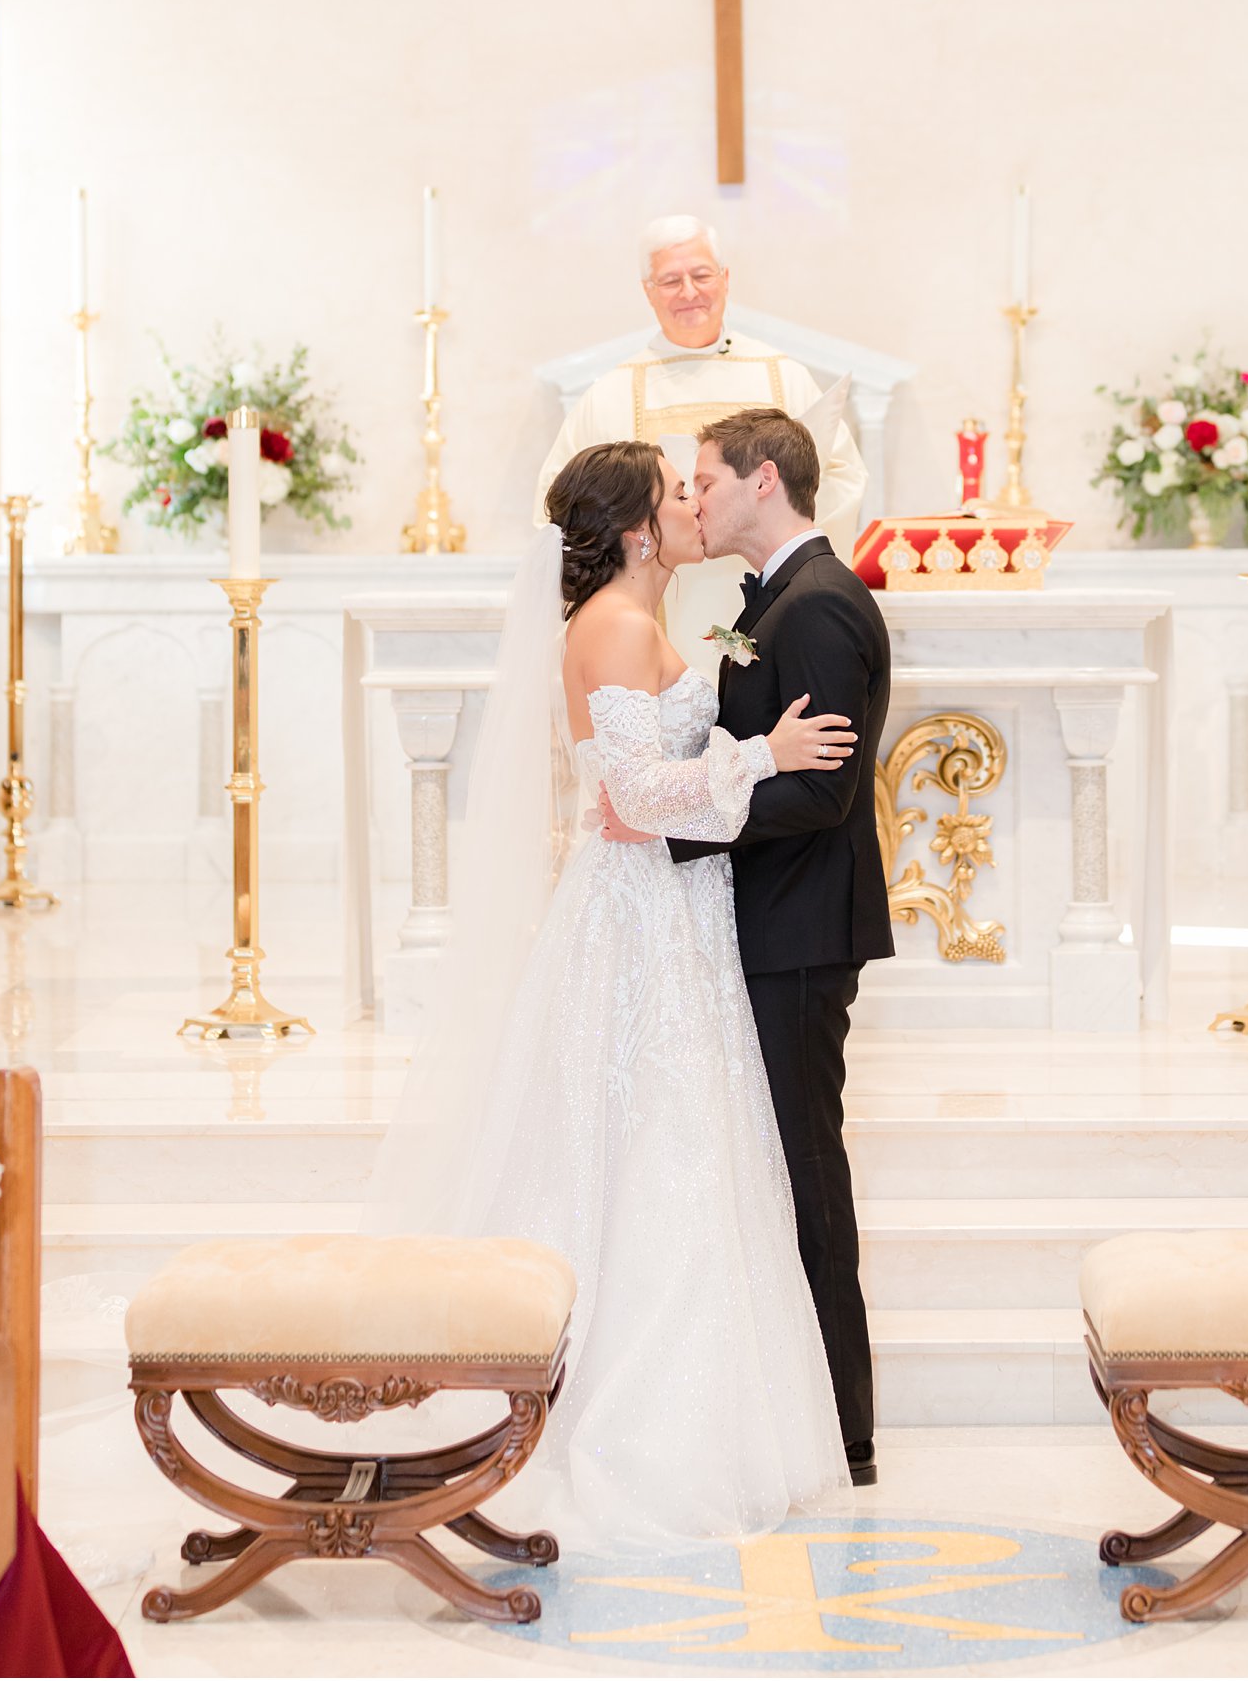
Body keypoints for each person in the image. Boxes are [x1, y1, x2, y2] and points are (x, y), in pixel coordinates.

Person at [367, 438, 856, 1546]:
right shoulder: (617, 628)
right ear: (637, 528)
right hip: (638, 915)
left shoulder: (641, 624)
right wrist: (763, 758)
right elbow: (633, 805)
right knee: (654, 1149)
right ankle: (630, 1424)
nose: (693, 505)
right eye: (676, 495)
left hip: (662, 914)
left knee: (669, 1148)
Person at [600, 408, 893, 1485]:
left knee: (805, 1174)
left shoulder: (817, 605)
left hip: (800, 931)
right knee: (774, 1171)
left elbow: (820, 791)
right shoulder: (769, 601)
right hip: (762, 924)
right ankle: (802, 1411)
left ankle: (843, 1430)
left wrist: (674, 813)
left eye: (707, 480)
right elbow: (749, 745)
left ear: (762, 481)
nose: (695, 499)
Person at [536, 213, 867, 670]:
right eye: (670, 280)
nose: (689, 292)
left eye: (701, 275)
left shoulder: (782, 376)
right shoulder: (611, 393)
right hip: (656, 624)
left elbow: (842, 477)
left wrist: (764, 528)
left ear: (726, 279)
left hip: (773, 600)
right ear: (648, 291)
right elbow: (560, 514)